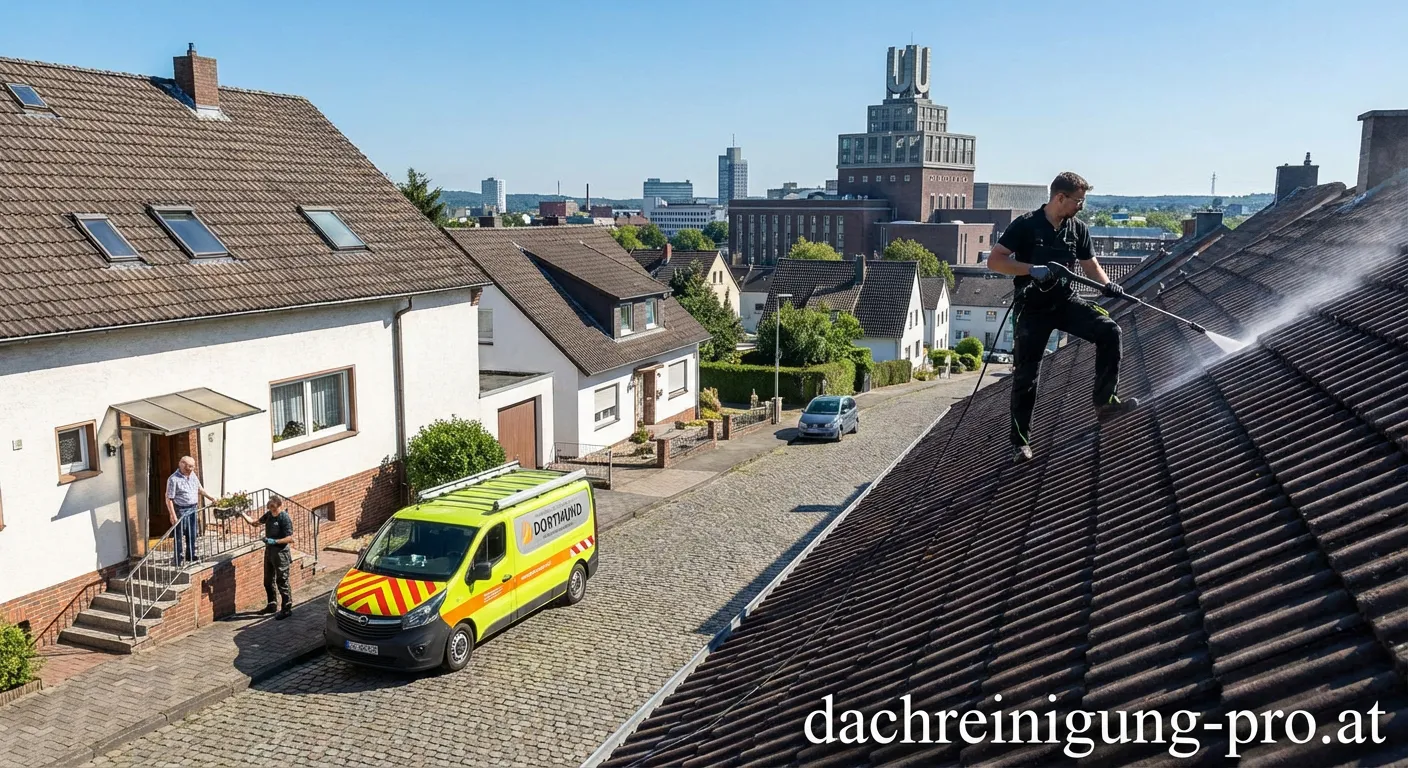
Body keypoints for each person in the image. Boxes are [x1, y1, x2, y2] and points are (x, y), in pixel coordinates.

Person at [987, 171, 1138, 465]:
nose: (1081, 206)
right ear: (1060, 198)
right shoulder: (1026, 225)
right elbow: (996, 260)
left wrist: (1109, 285)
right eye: (1078, 201)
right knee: (1026, 376)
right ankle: (1019, 443)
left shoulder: (1077, 229)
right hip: (1031, 308)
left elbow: (1090, 265)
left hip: (1065, 302)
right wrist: (1030, 269)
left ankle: (1106, 404)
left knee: (1110, 331)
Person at [241, 495, 295, 619]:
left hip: (281, 553)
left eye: (271, 505)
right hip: (269, 552)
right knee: (268, 580)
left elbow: (290, 538)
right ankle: (272, 604)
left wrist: (274, 541)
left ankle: (286, 609)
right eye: (268, 505)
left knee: (282, 581)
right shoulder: (269, 515)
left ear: (277, 505)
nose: (269, 506)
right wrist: (242, 513)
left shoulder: (284, 518)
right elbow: (255, 523)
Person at [165, 455, 217, 567]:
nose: (191, 469)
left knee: (192, 533)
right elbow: (169, 498)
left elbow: (199, 489)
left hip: (193, 508)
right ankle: (178, 558)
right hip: (181, 509)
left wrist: (210, 497)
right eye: (189, 467)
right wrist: (172, 515)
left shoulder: (192, 475)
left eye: (193, 467)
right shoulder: (173, 479)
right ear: (182, 464)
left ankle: (191, 555)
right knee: (179, 535)